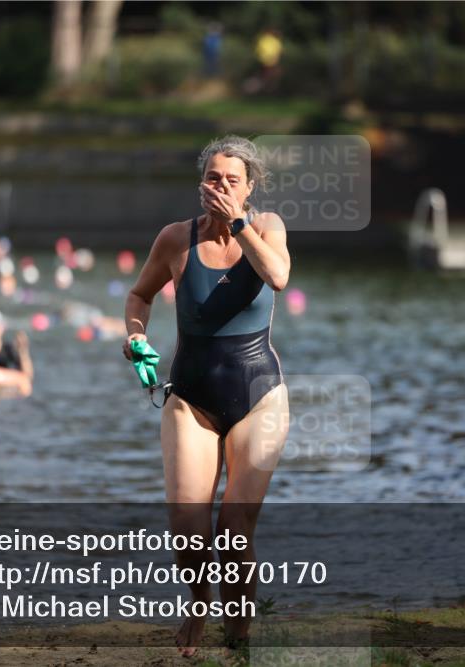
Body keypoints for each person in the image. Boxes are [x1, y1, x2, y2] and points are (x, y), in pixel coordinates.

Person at [123, 136, 291, 655]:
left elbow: (278, 276)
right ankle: (199, 605)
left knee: (234, 530)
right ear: (201, 184)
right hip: (190, 394)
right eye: (213, 178)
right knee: (187, 524)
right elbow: (139, 294)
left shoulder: (267, 227)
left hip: (258, 393)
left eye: (232, 180)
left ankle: (238, 635)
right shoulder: (175, 239)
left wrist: (239, 222)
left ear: (250, 187)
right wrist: (135, 337)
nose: (221, 187)